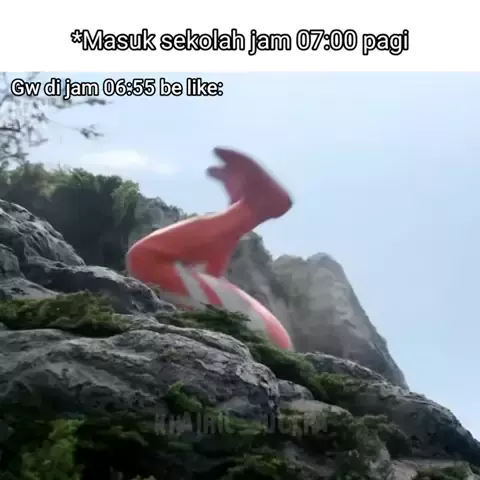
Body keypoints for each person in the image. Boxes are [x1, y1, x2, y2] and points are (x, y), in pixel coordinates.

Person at [126, 147, 294, 350]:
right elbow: (211, 272)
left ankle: (252, 208)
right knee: (195, 267)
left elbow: (148, 256)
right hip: (265, 331)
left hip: (262, 332)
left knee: (145, 258)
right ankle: (245, 207)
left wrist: (243, 214)